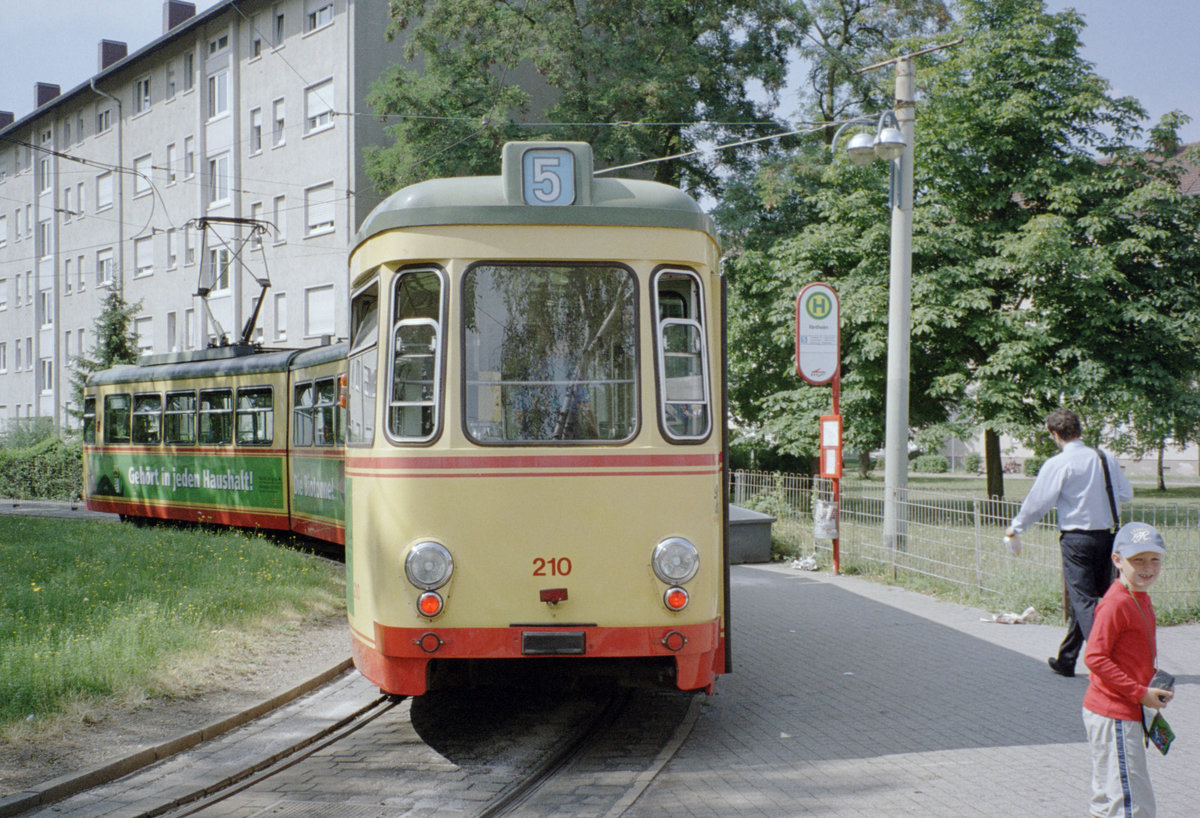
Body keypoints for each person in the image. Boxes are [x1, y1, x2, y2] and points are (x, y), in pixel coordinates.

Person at [1005, 409, 1133, 677]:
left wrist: (1016, 527)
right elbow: (1125, 494)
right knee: (1091, 597)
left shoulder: (1058, 463)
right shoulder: (1104, 457)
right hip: (1108, 537)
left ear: (1054, 434)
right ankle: (1067, 659)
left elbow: (1038, 503)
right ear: (1079, 429)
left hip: (1076, 539)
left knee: (1084, 601)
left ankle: (1109, 662)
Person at [1082, 522, 1172, 818]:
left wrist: (1152, 684)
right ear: (1117, 560)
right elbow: (1095, 657)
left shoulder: (1138, 596)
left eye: (1154, 559)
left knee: (1107, 797)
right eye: (1138, 560)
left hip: (1122, 708)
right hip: (1116, 712)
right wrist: (1139, 692)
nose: (1147, 568)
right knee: (1132, 802)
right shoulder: (1116, 603)